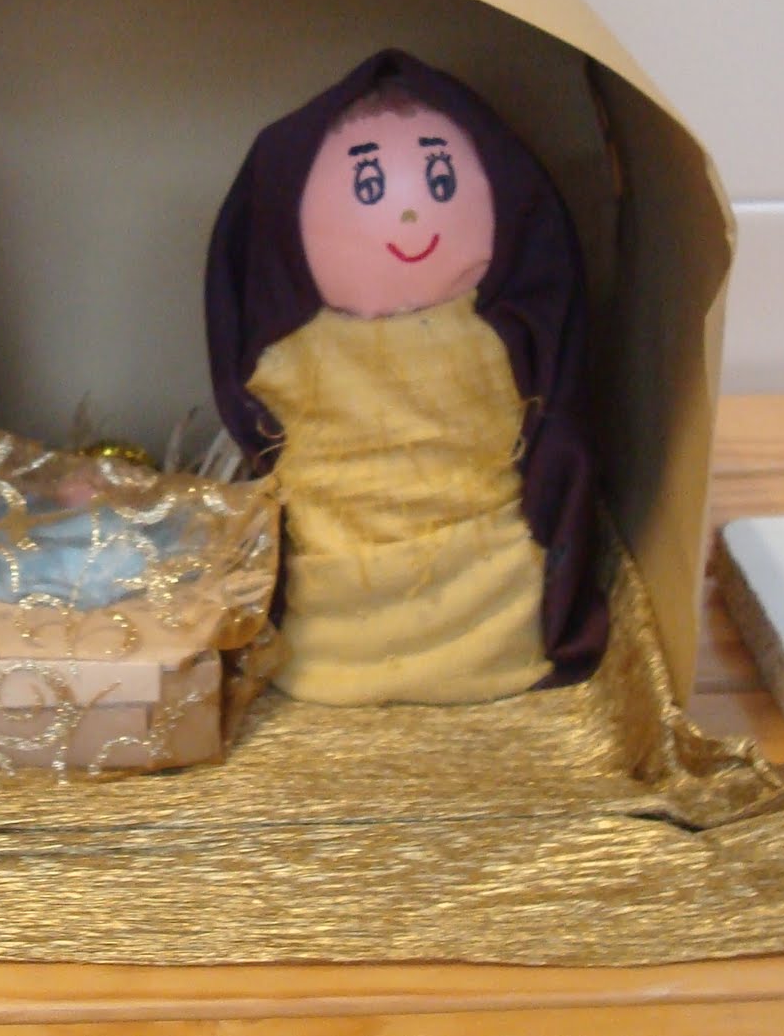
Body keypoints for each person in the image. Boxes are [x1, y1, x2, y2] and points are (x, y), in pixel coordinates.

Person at [205, 48, 606, 703]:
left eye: (441, 183)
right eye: (368, 190)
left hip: (489, 605)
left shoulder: (501, 338)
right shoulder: (291, 353)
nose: (412, 219)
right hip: (333, 618)